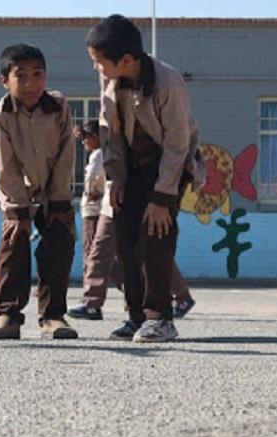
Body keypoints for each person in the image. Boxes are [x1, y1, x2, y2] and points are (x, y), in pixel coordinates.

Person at [86, 14, 205, 342]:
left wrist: (162, 198)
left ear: (126, 60)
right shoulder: (110, 81)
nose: (97, 68)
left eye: (100, 62)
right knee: (125, 239)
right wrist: (117, 179)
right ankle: (136, 316)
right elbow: (109, 132)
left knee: (154, 235)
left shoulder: (168, 83)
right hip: (132, 168)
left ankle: (160, 317)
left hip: (169, 167)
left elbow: (178, 144)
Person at [0, 43, 77, 340]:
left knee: (58, 246)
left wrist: (58, 198)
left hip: (53, 187)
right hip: (18, 189)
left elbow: (67, 152)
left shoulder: (58, 106)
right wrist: (16, 211)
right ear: (4, 81)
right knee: (13, 244)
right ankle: (8, 315)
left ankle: (53, 316)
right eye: (20, 76)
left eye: (37, 74)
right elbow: (5, 165)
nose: (30, 84)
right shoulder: (1, 115)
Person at [68, 120, 119, 320]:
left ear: (95, 138)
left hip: (95, 211)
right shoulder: (99, 154)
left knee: (93, 255)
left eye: (86, 138)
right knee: (107, 259)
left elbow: (94, 183)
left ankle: (91, 302)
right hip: (97, 209)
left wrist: (92, 195)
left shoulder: (98, 155)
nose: (84, 143)